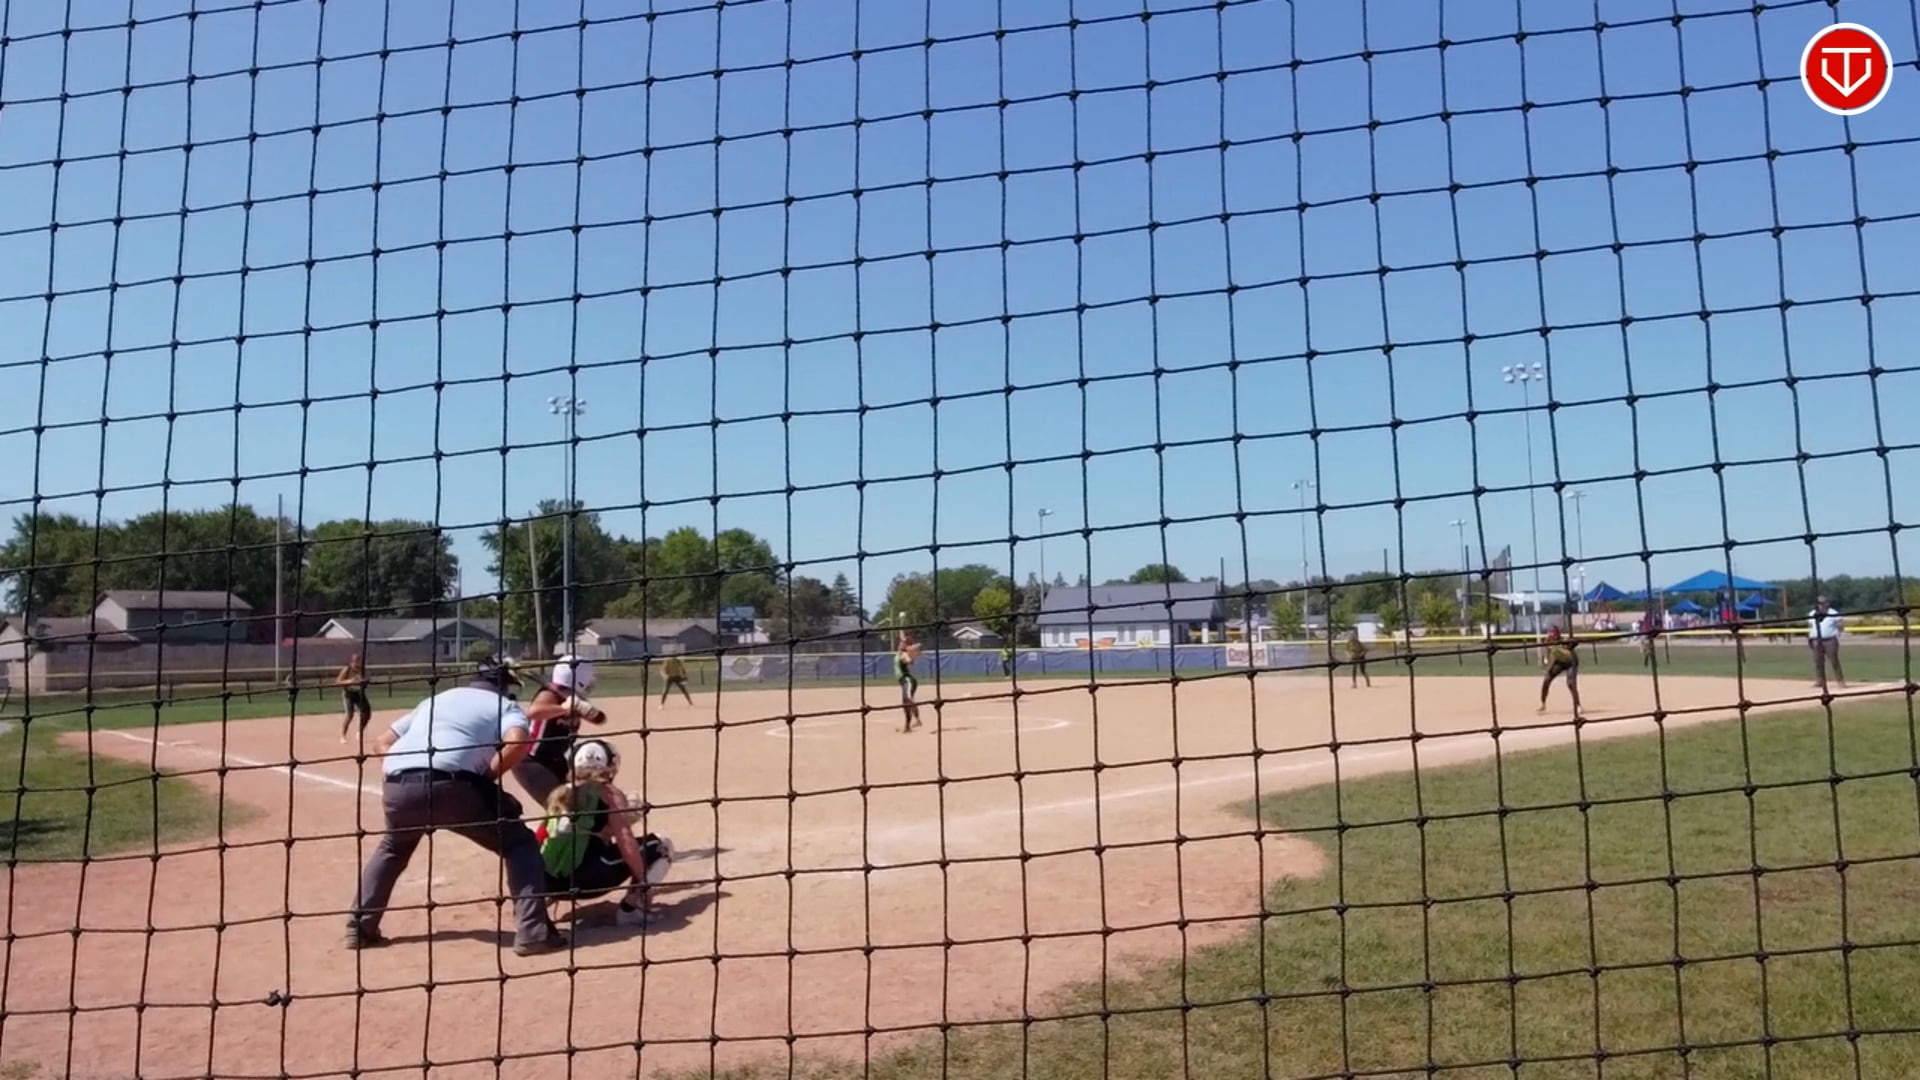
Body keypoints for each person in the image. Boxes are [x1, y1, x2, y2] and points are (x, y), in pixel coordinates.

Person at [345, 657, 567, 956]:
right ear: (504, 685)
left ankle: (359, 927)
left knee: (393, 848)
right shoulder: (505, 706)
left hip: (398, 788)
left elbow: (381, 743)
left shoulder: (434, 701)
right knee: (519, 844)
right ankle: (532, 933)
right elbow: (518, 743)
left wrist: (406, 766)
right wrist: (486, 777)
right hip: (456, 786)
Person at [536, 738, 674, 924]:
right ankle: (631, 908)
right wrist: (643, 882)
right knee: (662, 845)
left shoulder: (561, 793)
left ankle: (540, 903)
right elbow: (626, 841)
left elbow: (541, 838)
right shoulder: (609, 794)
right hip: (586, 882)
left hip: (544, 883)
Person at [510, 655, 609, 808]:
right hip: (532, 761)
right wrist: (563, 708)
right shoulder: (549, 694)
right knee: (563, 807)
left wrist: (584, 708)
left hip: (555, 760)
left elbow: (600, 719)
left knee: (585, 803)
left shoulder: (573, 698)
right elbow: (534, 712)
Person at [1538, 626, 1581, 715]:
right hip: (1559, 663)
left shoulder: (1563, 641)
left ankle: (1577, 705)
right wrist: (1546, 664)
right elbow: (1547, 656)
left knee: (1571, 684)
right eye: (1550, 635)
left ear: (1557, 635)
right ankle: (1543, 704)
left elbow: (1575, 641)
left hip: (1570, 662)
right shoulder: (1547, 643)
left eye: (1553, 635)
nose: (1552, 637)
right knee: (1547, 680)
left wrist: (1573, 642)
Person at [1808, 595, 1846, 691]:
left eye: (1822, 603)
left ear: (1827, 603)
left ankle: (1840, 680)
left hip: (1830, 640)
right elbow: (1811, 626)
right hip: (1816, 640)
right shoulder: (1812, 613)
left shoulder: (1833, 613)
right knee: (1818, 661)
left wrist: (1838, 632)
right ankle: (1820, 680)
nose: (1820, 605)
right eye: (1818, 603)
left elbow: (1840, 625)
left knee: (1834, 660)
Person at [335, 653, 372, 743]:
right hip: (349, 694)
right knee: (350, 715)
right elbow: (338, 681)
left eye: (359, 661)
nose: (357, 663)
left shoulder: (363, 670)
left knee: (367, 713)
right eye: (355, 661)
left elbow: (367, 679)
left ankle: (359, 732)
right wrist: (350, 681)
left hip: (359, 693)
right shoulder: (347, 669)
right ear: (352, 661)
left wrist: (365, 682)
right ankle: (343, 735)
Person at [896, 632, 922, 733]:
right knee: (906, 703)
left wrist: (909, 659)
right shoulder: (900, 653)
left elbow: (909, 661)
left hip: (908, 680)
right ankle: (910, 724)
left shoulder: (904, 654)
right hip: (905, 681)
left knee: (908, 702)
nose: (900, 644)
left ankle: (914, 722)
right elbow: (902, 641)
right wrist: (902, 635)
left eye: (902, 643)